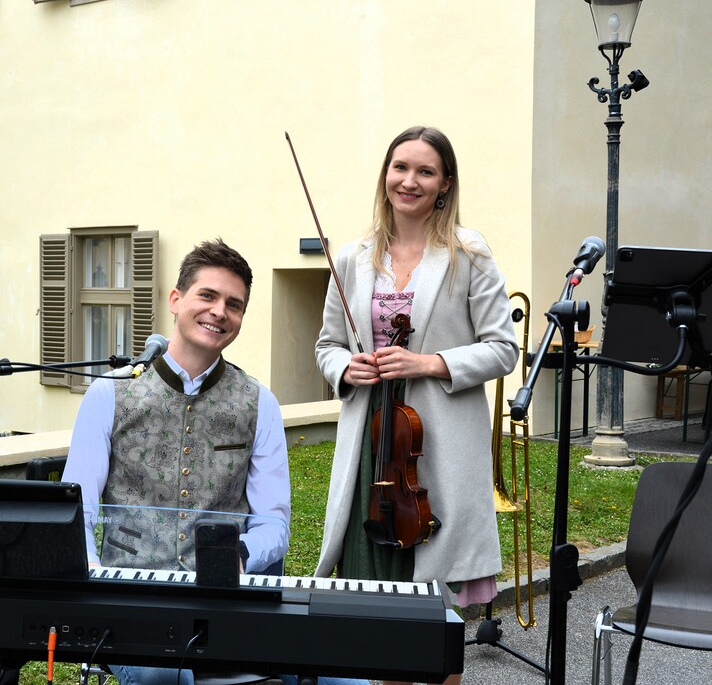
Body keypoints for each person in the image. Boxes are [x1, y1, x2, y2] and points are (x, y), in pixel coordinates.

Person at [314, 126, 519, 685]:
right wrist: (345, 368)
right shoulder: (353, 257)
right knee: (376, 600)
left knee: (433, 610)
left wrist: (428, 363)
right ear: (385, 174)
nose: (409, 181)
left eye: (425, 171)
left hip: (436, 443)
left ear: (445, 184)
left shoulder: (469, 253)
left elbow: (503, 348)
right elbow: (328, 345)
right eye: (400, 167)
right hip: (373, 443)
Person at [62, 238, 292, 685]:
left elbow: (273, 524)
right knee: (163, 675)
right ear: (175, 300)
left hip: (222, 604)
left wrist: (240, 556)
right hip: (130, 604)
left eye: (234, 304)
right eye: (207, 295)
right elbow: (78, 512)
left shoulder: (260, 403)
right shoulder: (110, 393)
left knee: (343, 672)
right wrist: (97, 587)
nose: (219, 311)